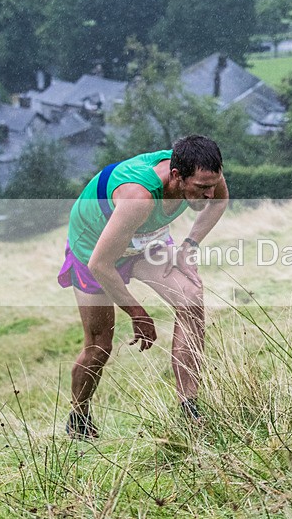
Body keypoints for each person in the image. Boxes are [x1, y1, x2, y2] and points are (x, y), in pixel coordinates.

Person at [57, 134, 228, 438]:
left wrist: (188, 247)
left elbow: (220, 202)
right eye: (201, 188)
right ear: (176, 176)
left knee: (191, 299)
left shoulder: (205, 171)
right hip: (95, 248)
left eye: (212, 185)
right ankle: (79, 417)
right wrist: (137, 312)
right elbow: (101, 264)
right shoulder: (140, 197)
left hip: (144, 242)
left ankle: (190, 409)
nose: (209, 194)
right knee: (99, 346)